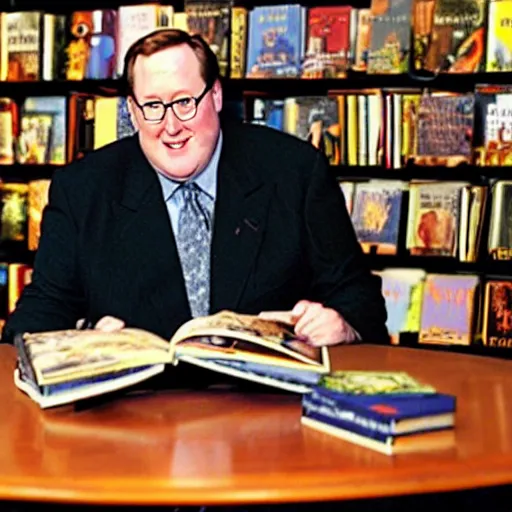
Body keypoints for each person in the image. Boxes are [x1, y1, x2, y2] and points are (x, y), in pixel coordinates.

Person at [2, 29, 388, 357]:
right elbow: (37, 316)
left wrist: (341, 324)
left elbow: (360, 297)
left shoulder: (295, 172)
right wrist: (80, 345)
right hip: (138, 418)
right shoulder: (82, 190)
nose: (171, 126)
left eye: (185, 102)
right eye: (153, 106)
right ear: (133, 114)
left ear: (216, 96)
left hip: (266, 415)